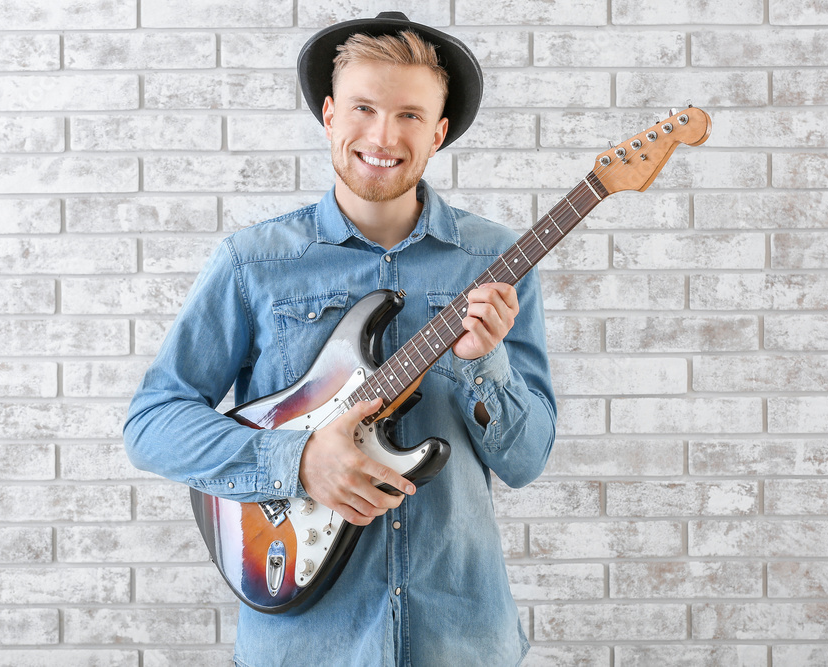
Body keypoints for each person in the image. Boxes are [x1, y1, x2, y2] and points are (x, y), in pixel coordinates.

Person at [124, 11, 556, 667]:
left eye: (411, 115)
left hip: (462, 639)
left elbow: (527, 461)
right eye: (363, 107)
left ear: (438, 132)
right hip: (306, 645)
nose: (383, 134)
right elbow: (152, 421)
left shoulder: (495, 262)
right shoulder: (253, 263)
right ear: (329, 114)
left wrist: (487, 364)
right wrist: (294, 461)